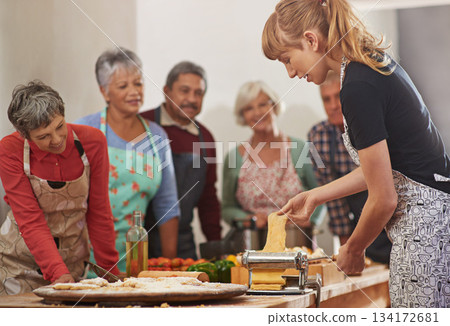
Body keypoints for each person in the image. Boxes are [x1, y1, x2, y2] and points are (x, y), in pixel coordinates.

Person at [263, 0, 450, 308]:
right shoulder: (367, 65)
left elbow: (384, 197)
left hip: (426, 229)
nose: (291, 73)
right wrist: (315, 195)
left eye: (287, 58)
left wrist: (353, 248)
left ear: (311, 40)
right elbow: (382, 168)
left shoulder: (358, 86)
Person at [0, 81, 120, 295]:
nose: (56, 140)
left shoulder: (93, 142)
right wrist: (58, 274)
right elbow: (30, 219)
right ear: (25, 135)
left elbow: (99, 211)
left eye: (60, 126)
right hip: (19, 264)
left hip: (72, 262)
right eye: (43, 136)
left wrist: (110, 272)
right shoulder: (10, 150)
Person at [75, 47, 179, 273]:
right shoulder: (84, 130)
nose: (134, 91)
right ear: (104, 92)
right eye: (123, 86)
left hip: (135, 259)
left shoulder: (157, 137)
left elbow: (167, 206)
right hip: (83, 259)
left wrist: (169, 267)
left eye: (138, 83)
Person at [222, 80, 325, 248]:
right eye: (249, 108)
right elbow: (227, 208)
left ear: (275, 106)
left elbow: (322, 194)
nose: (257, 112)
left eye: (263, 104)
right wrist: (249, 220)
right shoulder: (234, 157)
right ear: (242, 115)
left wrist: (309, 220)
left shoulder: (301, 150)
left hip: (297, 242)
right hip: (253, 245)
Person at [308, 71, 391, 264]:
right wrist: (349, 250)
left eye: (338, 97)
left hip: (395, 213)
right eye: (326, 100)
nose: (333, 106)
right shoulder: (319, 135)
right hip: (362, 226)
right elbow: (335, 203)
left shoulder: (371, 122)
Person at [140, 61, 221, 259]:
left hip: (184, 243)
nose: (191, 99)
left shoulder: (206, 138)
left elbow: (208, 199)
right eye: (185, 91)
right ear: (167, 91)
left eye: (198, 93)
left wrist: (216, 248)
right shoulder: (141, 125)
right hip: (140, 240)